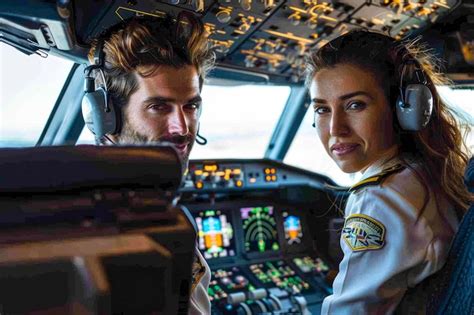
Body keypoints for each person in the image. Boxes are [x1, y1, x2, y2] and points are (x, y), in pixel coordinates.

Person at [305, 30, 473, 314]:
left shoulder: (381, 197)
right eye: (322, 109)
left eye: (355, 105)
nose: (335, 129)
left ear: (404, 109)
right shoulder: (431, 173)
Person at [83, 12, 215, 314]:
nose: (182, 128)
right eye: (158, 107)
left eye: (191, 106)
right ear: (107, 115)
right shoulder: (101, 219)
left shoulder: (157, 207)